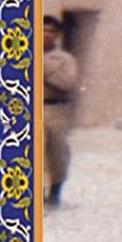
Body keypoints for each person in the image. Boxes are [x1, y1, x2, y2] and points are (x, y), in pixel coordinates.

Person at [42, 15, 80, 208]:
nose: (46, 34)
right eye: (43, 30)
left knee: (58, 152)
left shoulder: (65, 59)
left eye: (51, 31)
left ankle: (55, 192)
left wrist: (43, 67)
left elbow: (68, 83)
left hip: (55, 108)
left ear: (57, 35)